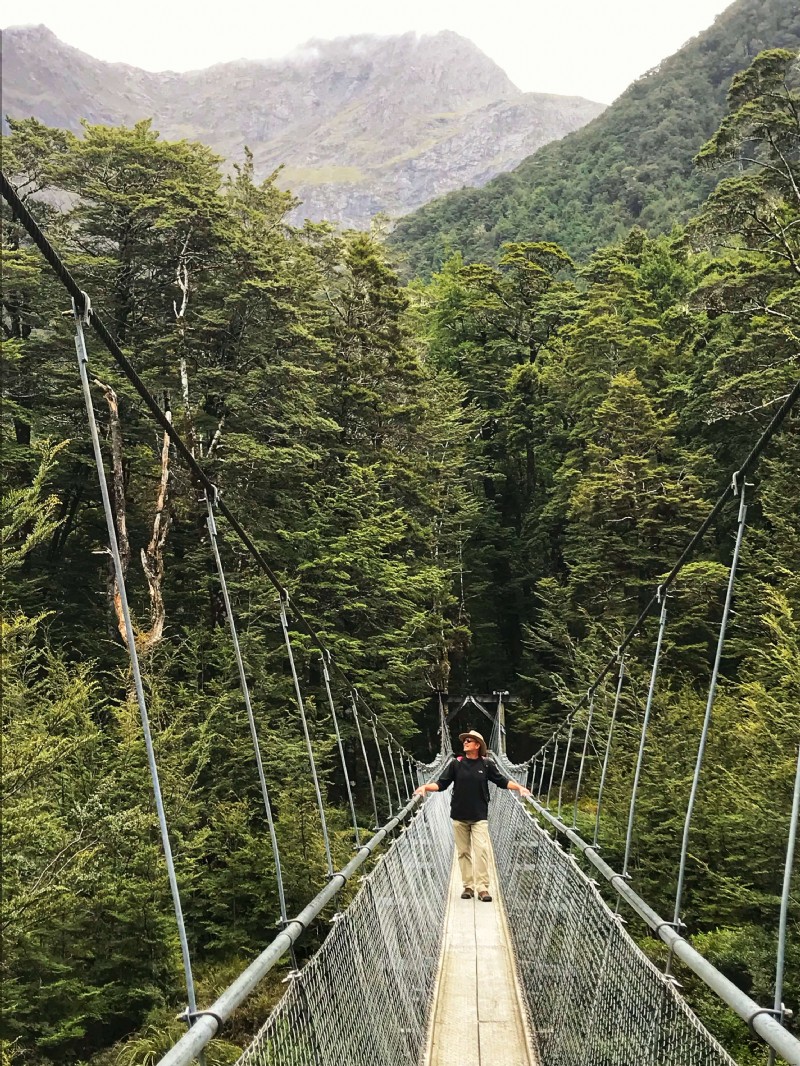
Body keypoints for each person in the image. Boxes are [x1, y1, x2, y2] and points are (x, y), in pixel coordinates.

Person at [414, 729, 531, 902]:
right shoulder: (455, 764)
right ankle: (468, 886)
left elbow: (502, 781)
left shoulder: (487, 765)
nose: (465, 742)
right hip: (459, 816)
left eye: (469, 740)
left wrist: (519, 787)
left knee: (481, 851)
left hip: (479, 816)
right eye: (465, 740)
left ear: (477, 745)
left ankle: (482, 888)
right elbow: (441, 784)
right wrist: (425, 787)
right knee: (463, 853)